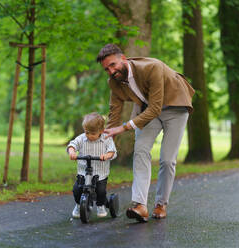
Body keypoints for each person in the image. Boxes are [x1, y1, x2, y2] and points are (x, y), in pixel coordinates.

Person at [96, 44, 194, 222]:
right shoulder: (114, 82)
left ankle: (161, 204)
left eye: (112, 65)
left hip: (175, 106)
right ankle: (140, 205)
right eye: (106, 69)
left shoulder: (152, 67)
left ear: (123, 58)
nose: (110, 71)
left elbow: (156, 108)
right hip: (147, 110)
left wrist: (125, 127)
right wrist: (106, 139)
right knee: (140, 151)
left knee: (167, 159)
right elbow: (114, 113)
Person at [66, 112, 117, 218]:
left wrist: (107, 155)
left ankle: (100, 205)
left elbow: (112, 151)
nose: (89, 135)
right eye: (87, 132)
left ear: (101, 131)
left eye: (92, 134)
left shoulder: (106, 139)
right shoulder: (82, 138)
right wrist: (72, 152)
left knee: (100, 190)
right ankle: (78, 204)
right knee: (77, 189)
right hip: (83, 171)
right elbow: (73, 144)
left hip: (100, 172)